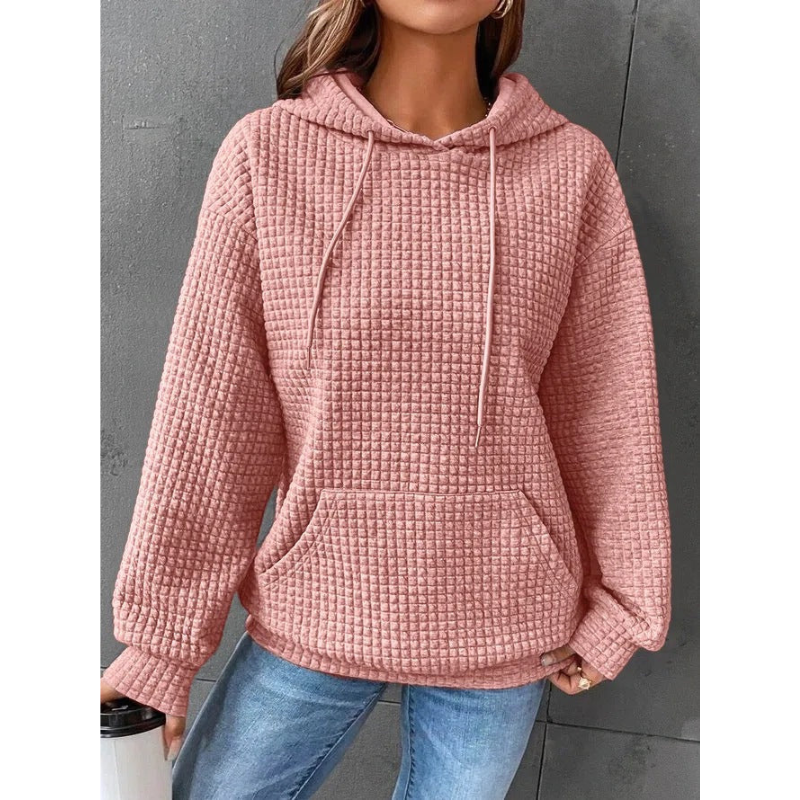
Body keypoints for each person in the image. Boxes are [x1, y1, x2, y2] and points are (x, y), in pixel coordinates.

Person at [100, 0, 673, 797]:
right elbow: (212, 413)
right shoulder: (269, 155)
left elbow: (607, 404)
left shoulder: (570, 169)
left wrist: (623, 605)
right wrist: (160, 645)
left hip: (503, 616)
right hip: (320, 603)